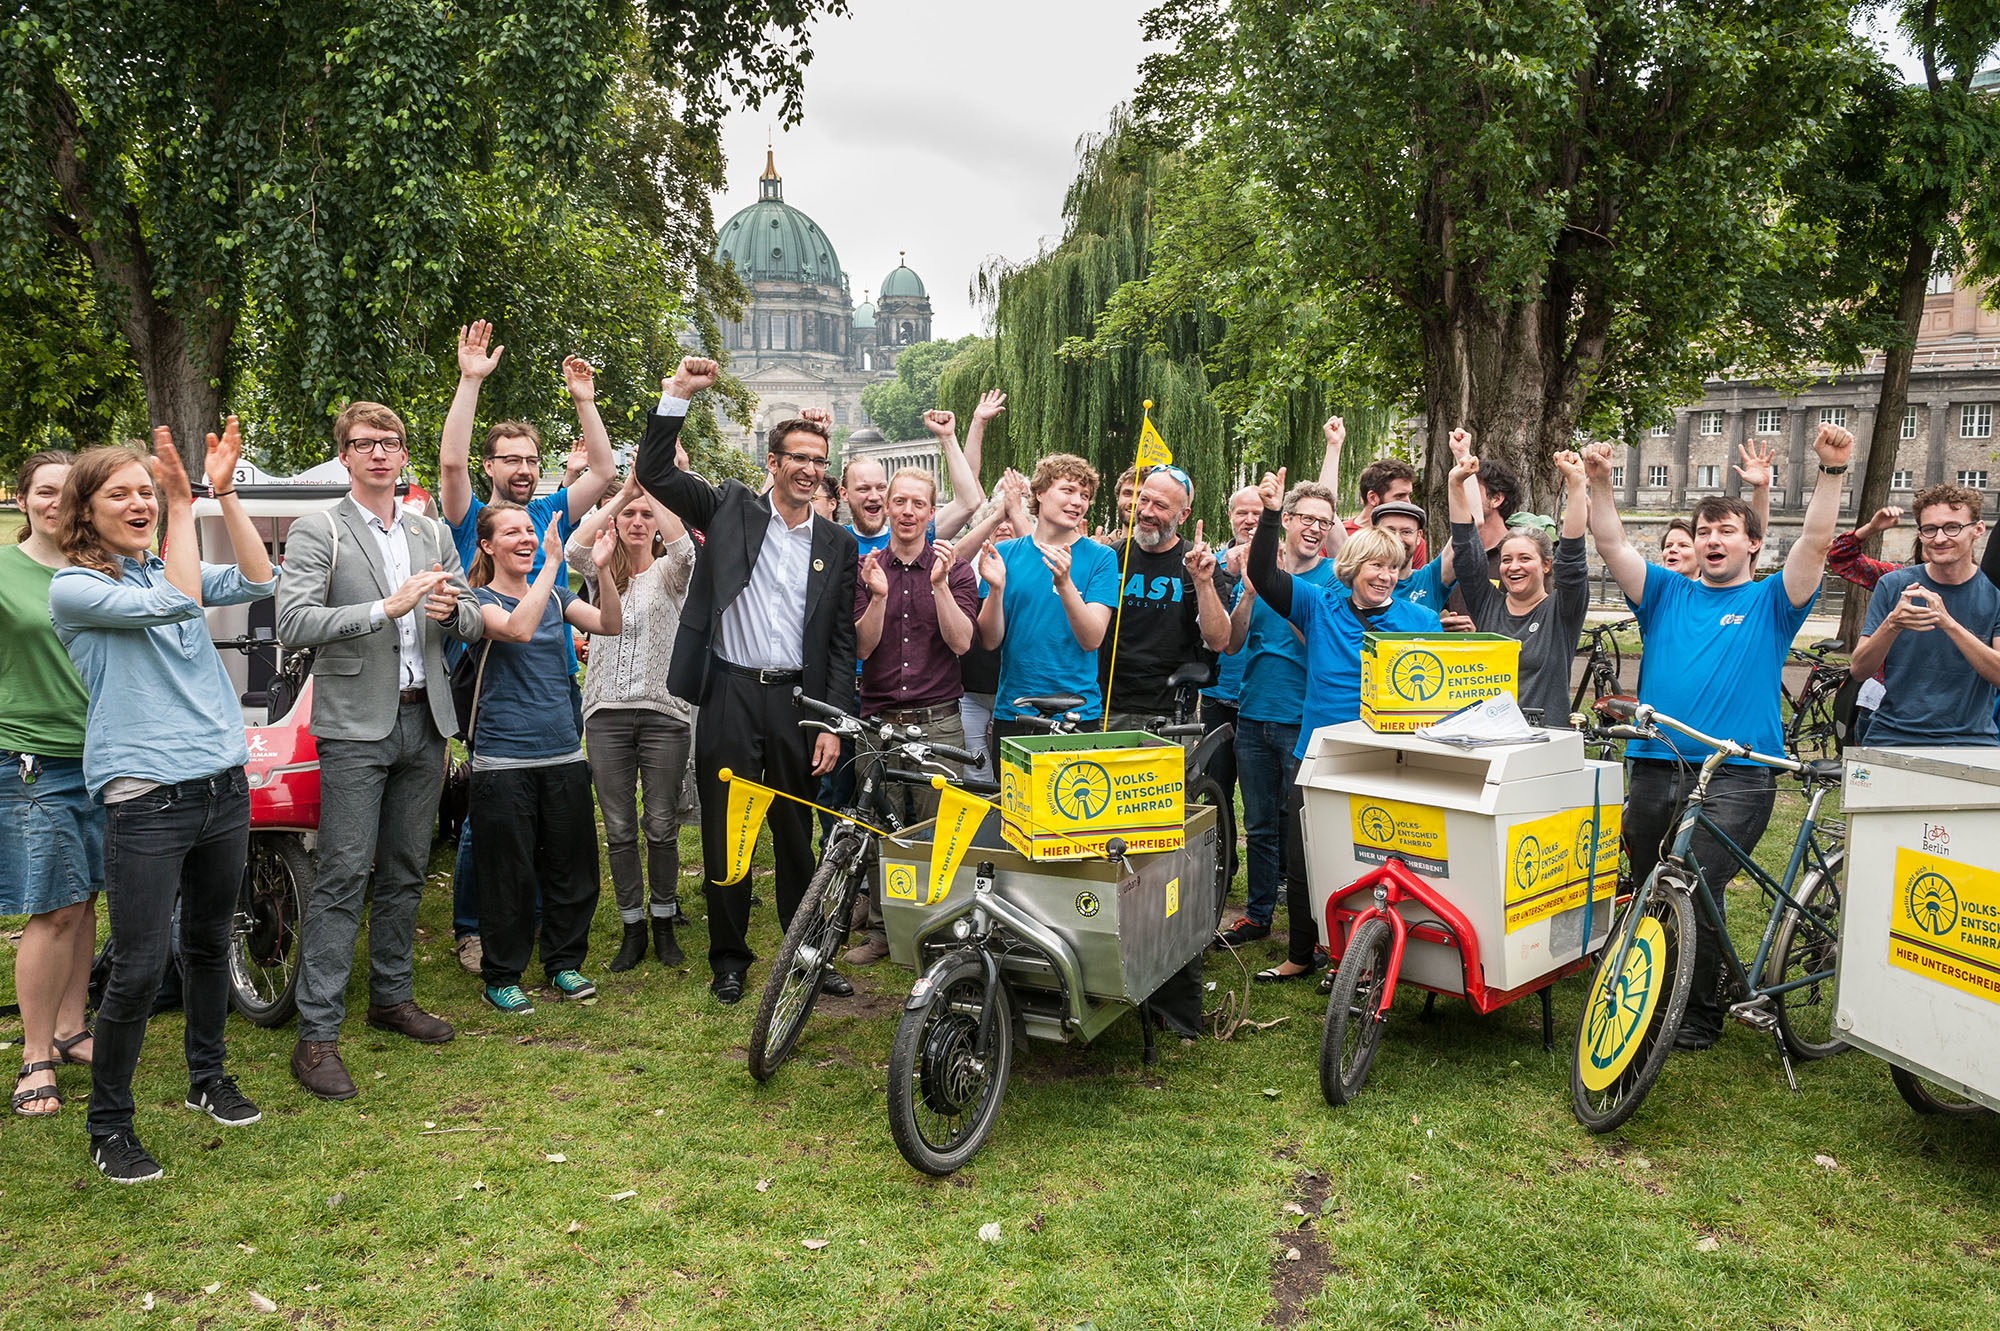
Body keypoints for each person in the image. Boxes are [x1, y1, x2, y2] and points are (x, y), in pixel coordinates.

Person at [50, 424, 276, 1183]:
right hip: (146, 797)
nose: (140, 501)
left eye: (147, 490)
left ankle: (206, 1079)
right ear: (86, 510)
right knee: (141, 965)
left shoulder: (162, 566)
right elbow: (178, 603)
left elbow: (257, 577)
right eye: (123, 492)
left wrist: (225, 493)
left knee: (212, 941)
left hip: (221, 784)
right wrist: (184, 499)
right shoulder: (78, 587)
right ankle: (108, 1125)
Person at [1583, 422, 1852, 1050]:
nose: (1711, 540)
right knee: (1654, 885)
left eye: (1726, 531)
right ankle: (1671, 994)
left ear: (1753, 545)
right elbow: (1612, 539)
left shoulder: (1772, 602)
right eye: (1704, 531)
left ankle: (1699, 1015)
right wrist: (1598, 483)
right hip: (1654, 760)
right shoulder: (1665, 593)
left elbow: (1815, 541)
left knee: (1695, 881)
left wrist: (1832, 472)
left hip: (1736, 774)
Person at [634, 357, 859, 1007]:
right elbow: (653, 472)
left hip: (798, 701)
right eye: (798, 457)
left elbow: (840, 643)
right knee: (728, 834)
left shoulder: (836, 544)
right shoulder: (729, 506)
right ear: (773, 460)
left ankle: (807, 951)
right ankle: (729, 958)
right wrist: (675, 394)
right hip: (731, 693)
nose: (810, 469)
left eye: (819, 459)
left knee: (797, 837)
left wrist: (832, 722)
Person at [274, 402, 482, 1101]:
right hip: (355, 728)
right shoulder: (319, 528)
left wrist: (455, 613)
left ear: (402, 452)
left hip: (426, 721)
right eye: (365, 443)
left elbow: (476, 612)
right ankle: (316, 1036)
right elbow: (294, 619)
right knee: (340, 878)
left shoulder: (428, 530)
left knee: (405, 870)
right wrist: (383, 609)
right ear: (345, 455)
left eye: (390, 442)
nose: (380, 453)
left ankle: (391, 996)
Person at [437, 323, 619, 975]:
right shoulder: (471, 520)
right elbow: (451, 463)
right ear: (492, 466)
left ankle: (533, 924)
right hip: (492, 684)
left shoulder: (546, 515)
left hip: (550, 690)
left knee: (542, 820)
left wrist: (584, 399)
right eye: (509, 459)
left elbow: (603, 471)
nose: (521, 469)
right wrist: (470, 381)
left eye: (529, 459)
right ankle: (471, 929)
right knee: (486, 825)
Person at [1247, 470, 1440, 983]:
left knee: (1377, 859)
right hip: (1322, 754)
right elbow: (1264, 576)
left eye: (1394, 568)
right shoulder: (1319, 604)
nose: (1386, 576)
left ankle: (1368, 954)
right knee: (1305, 854)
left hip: (1389, 760)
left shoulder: (1420, 622)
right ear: (1352, 567)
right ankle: (1301, 952)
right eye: (1376, 565)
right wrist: (1269, 514)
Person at [465, 504, 621, 1014]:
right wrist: (554, 563)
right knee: (508, 874)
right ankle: (502, 974)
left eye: (529, 530)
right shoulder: (477, 600)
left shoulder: (556, 597)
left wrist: (599, 568)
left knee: (571, 868)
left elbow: (610, 624)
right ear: (488, 545)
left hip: (562, 754)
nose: (526, 539)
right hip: (502, 760)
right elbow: (516, 629)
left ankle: (564, 963)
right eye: (512, 532)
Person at [844, 467, 982, 966]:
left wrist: (941, 586)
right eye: (898, 501)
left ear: (931, 511)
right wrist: (877, 596)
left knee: (937, 829)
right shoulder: (866, 567)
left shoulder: (956, 568)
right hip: (878, 719)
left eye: (917, 504)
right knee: (882, 827)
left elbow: (962, 642)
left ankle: (939, 927)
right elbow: (863, 645)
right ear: (889, 507)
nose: (906, 511)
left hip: (938, 718)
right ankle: (883, 930)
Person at [567, 472, 698, 971]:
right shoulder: (597, 570)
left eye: (646, 516)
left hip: (665, 715)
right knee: (619, 828)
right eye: (630, 515)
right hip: (606, 716)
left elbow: (685, 548)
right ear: (616, 523)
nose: (638, 521)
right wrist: (622, 494)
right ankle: (632, 927)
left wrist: (655, 492)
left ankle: (664, 921)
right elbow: (576, 545)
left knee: (661, 825)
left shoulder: (671, 573)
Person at [3, 451, 99, 1118]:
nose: (55, 501)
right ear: (20, 498)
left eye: (67, 491)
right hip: (33, 755)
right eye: (44, 490)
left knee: (87, 897)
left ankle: (72, 1027)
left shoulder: (100, 566)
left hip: (108, 751)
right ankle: (36, 1054)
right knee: (55, 904)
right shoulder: (5, 571)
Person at [1215, 479, 1341, 949]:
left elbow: (1323, 644)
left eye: (1323, 522)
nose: (1314, 528)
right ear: (1285, 520)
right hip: (1253, 714)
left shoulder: (1333, 579)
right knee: (1260, 825)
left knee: (1304, 829)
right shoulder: (1255, 573)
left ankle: (1313, 927)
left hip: (1303, 720)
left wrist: (1280, 589)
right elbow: (1231, 642)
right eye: (1305, 518)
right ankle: (1258, 915)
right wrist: (1251, 592)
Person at [977, 455, 1122, 739]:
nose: (1078, 502)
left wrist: (1065, 584)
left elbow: (1092, 639)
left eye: (1085, 495)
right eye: (1068, 490)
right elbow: (989, 640)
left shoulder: (1101, 557)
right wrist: (995, 590)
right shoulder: (1005, 554)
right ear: (1040, 493)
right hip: (1015, 711)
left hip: (1077, 713)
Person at [1447, 444, 1589, 727]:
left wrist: (1575, 484)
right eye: (1506, 559)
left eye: (1525, 558)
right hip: (1486, 738)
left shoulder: (1561, 612)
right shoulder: (1488, 604)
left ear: (1546, 565)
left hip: (1544, 744)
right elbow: (1465, 548)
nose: (1513, 567)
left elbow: (1572, 559)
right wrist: (1456, 482)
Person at [1848, 484, 2000, 746]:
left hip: (1972, 741)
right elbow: (1859, 670)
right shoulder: (1893, 585)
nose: (1940, 538)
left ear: (1978, 529)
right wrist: (1892, 624)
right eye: (1929, 529)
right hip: (1892, 736)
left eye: (1952, 527)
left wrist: (1948, 623)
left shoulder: (1995, 592)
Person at [1098, 465, 1232, 732]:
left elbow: (1219, 641)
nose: (1147, 511)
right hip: (1105, 710)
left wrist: (1203, 582)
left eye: (1160, 505)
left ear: (1183, 515)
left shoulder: (1200, 565)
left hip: (1169, 716)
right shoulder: (1110, 557)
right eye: (1144, 499)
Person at [1345, 451, 1426, 565]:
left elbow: (1414, 581)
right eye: (1399, 496)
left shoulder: (1412, 542)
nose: (1408, 502)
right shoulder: (1340, 535)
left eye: (1409, 495)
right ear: (1373, 498)